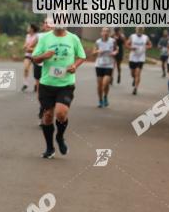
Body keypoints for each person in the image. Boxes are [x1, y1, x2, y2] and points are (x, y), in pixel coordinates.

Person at [32, 24, 86, 159]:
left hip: (66, 84)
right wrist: (44, 55)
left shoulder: (73, 39)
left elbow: (82, 56)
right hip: (47, 83)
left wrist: (75, 65)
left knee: (61, 114)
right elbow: (35, 58)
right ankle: (49, 148)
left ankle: (60, 137)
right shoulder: (44, 38)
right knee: (48, 116)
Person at [92, 27, 117, 108]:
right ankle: (100, 100)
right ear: (101, 33)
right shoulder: (98, 42)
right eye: (104, 31)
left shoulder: (112, 41)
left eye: (107, 31)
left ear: (109, 33)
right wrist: (97, 51)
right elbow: (93, 53)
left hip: (109, 65)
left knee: (105, 83)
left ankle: (105, 96)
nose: (105, 33)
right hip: (99, 65)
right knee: (99, 85)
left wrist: (114, 53)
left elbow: (117, 50)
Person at [126, 27, 152, 95]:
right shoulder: (132, 36)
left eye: (141, 29)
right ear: (136, 30)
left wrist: (147, 47)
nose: (139, 31)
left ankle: (135, 88)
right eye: (138, 29)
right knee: (132, 73)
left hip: (141, 57)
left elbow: (150, 45)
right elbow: (127, 44)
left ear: (143, 30)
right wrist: (131, 48)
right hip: (132, 57)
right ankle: (134, 79)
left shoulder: (146, 37)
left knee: (138, 73)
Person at [22, 23, 40, 92]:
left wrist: (31, 48)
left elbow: (38, 45)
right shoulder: (27, 36)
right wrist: (24, 46)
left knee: (36, 71)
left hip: (35, 55)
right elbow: (26, 43)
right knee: (26, 68)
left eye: (28, 27)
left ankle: (36, 84)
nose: (27, 28)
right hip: (28, 55)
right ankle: (25, 83)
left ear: (32, 29)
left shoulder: (37, 36)